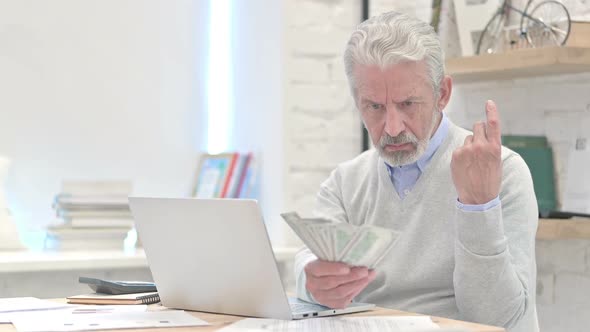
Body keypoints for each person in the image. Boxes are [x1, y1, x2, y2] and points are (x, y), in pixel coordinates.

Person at [294, 11, 538, 332]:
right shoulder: (345, 182)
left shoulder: (503, 171)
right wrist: (311, 279)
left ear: (443, 94)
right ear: (357, 102)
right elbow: (308, 264)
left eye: (408, 104)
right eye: (375, 107)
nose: (392, 128)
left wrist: (478, 206)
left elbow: (496, 320)